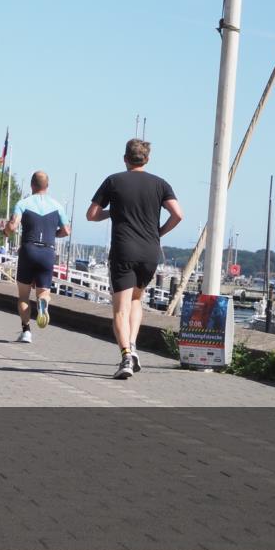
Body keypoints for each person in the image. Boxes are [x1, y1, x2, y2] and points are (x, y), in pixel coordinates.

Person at [86, 139, 182, 379]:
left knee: (120, 309)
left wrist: (114, 211)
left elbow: (92, 215)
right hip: (150, 251)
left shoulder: (113, 181)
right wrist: (158, 233)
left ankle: (126, 355)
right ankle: (133, 346)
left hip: (124, 250)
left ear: (125, 158)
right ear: (147, 159)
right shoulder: (161, 184)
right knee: (137, 299)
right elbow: (178, 214)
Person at [3, 171, 70, 343]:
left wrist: (6, 231)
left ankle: (26, 331)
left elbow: (13, 224)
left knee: (23, 296)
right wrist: (54, 234)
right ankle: (42, 302)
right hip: (47, 251)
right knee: (43, 292)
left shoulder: (23, 203)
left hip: (28, 250)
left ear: (32, 185)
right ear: (47, 186)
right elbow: (66, 230)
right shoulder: (58, 206)